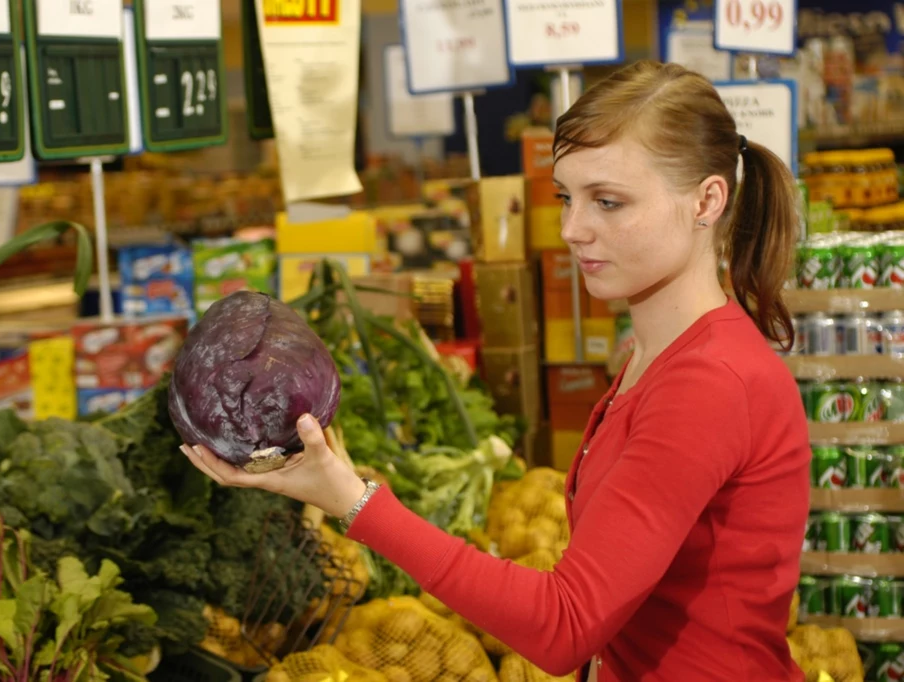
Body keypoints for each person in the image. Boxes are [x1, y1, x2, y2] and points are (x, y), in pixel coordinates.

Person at [180, 60, 811, 682]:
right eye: (567, 196)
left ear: (707, 200)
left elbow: (565, 626)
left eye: (609, 202)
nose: (572, 229)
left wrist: (352, 500)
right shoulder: (662, 352)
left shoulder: (710, 384)